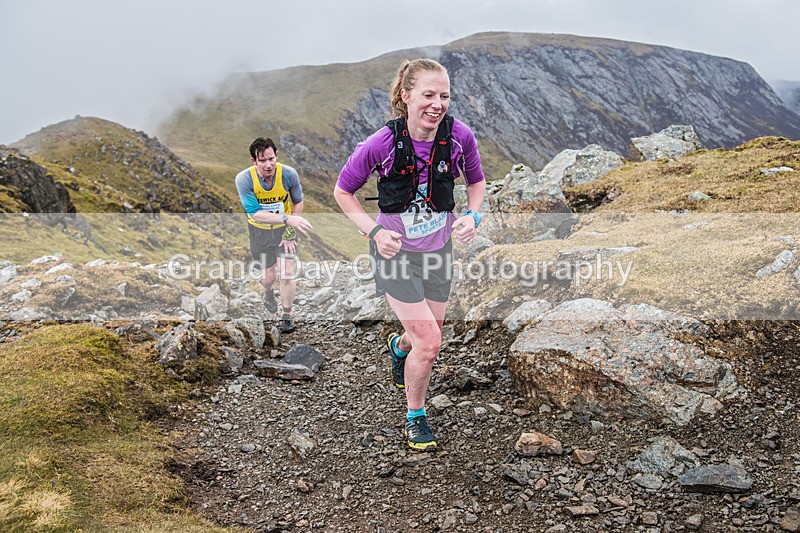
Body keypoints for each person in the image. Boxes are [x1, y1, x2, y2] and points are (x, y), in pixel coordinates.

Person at [334, 58, 486, 451]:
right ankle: (415, 416)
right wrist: (375, 231)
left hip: (438, 252)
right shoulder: (380, 143)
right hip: (394, 253)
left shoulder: (459, 137)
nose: (437, 104)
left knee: (422, 337)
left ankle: (398, 348)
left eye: (444, 96)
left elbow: (477, 182)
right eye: (428, 95)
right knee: (432, 343)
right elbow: (342, 192)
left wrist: (472, 217)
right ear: (406, 96)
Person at [236, 137, 312, 333]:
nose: (268, 165)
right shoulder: (244, 179)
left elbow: (298, 202)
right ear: (254, 161)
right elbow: (255, 213)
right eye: (262, 161)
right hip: (259, 232)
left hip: (283, 231)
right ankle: (268, 292)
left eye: (271, 159)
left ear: (276, 155)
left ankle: (286, 315)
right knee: (269, 277)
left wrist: (289, 231)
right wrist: (288, 220)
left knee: (287, 271)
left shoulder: (288, 174)